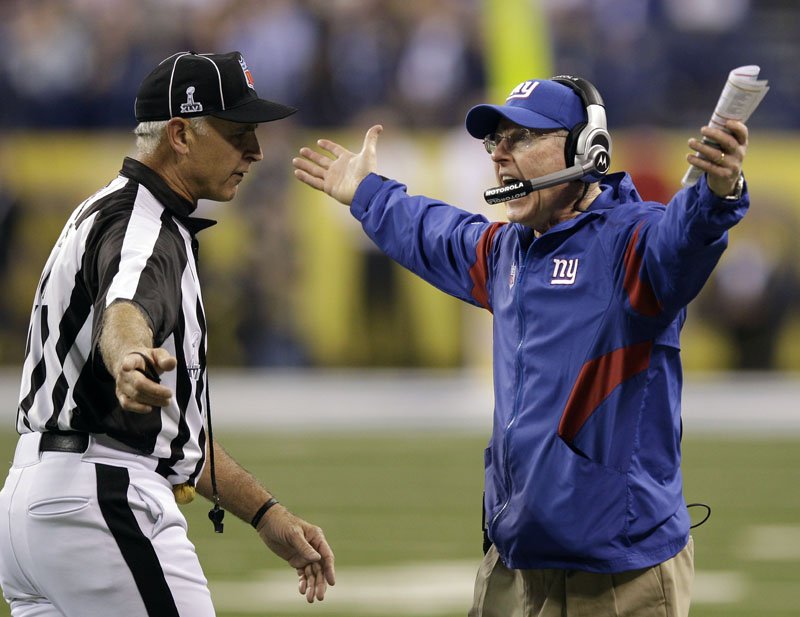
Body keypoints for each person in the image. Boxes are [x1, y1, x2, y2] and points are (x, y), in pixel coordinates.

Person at [292, 76, 749, 616]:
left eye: (523, 138)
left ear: (585, 148)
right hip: (518, 556)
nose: (499, 155)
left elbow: (683, 241)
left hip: (619, 569)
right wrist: (367, 192)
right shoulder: (509, 250)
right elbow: (432, 231)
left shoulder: (630, 243)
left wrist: (717, 194)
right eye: (495, 140)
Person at [0, 51, 335, 616]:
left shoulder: (108, 210)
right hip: (98, 502)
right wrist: (129, 356)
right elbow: (126, 306)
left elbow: (175, 435)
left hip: (33, 506)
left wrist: (265, 513)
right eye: (238, 133)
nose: (255, 151)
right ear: (180, 134)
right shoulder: (143, 225)